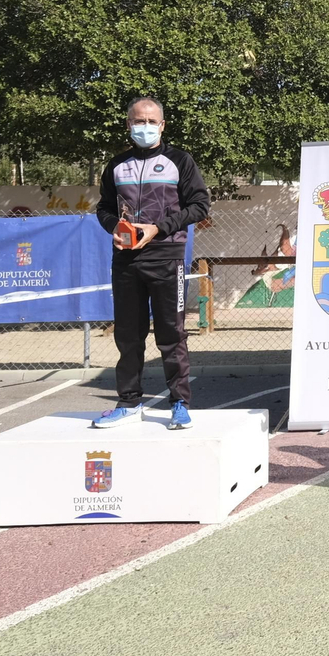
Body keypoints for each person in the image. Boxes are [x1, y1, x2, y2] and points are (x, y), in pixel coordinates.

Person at [93, 97, 210, 430]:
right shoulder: (116, 165)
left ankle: (179, 403)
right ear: (128, 124)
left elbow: (200, 206)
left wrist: (160, 227)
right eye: (137, 121)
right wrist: (114, 226)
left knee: (172, 335)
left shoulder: (180, 161)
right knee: (129, 336)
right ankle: (129, 402)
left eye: (150, 121)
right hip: (126, 260)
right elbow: (103, 208)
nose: (143, 127)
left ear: (162, 125)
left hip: (167, 258)